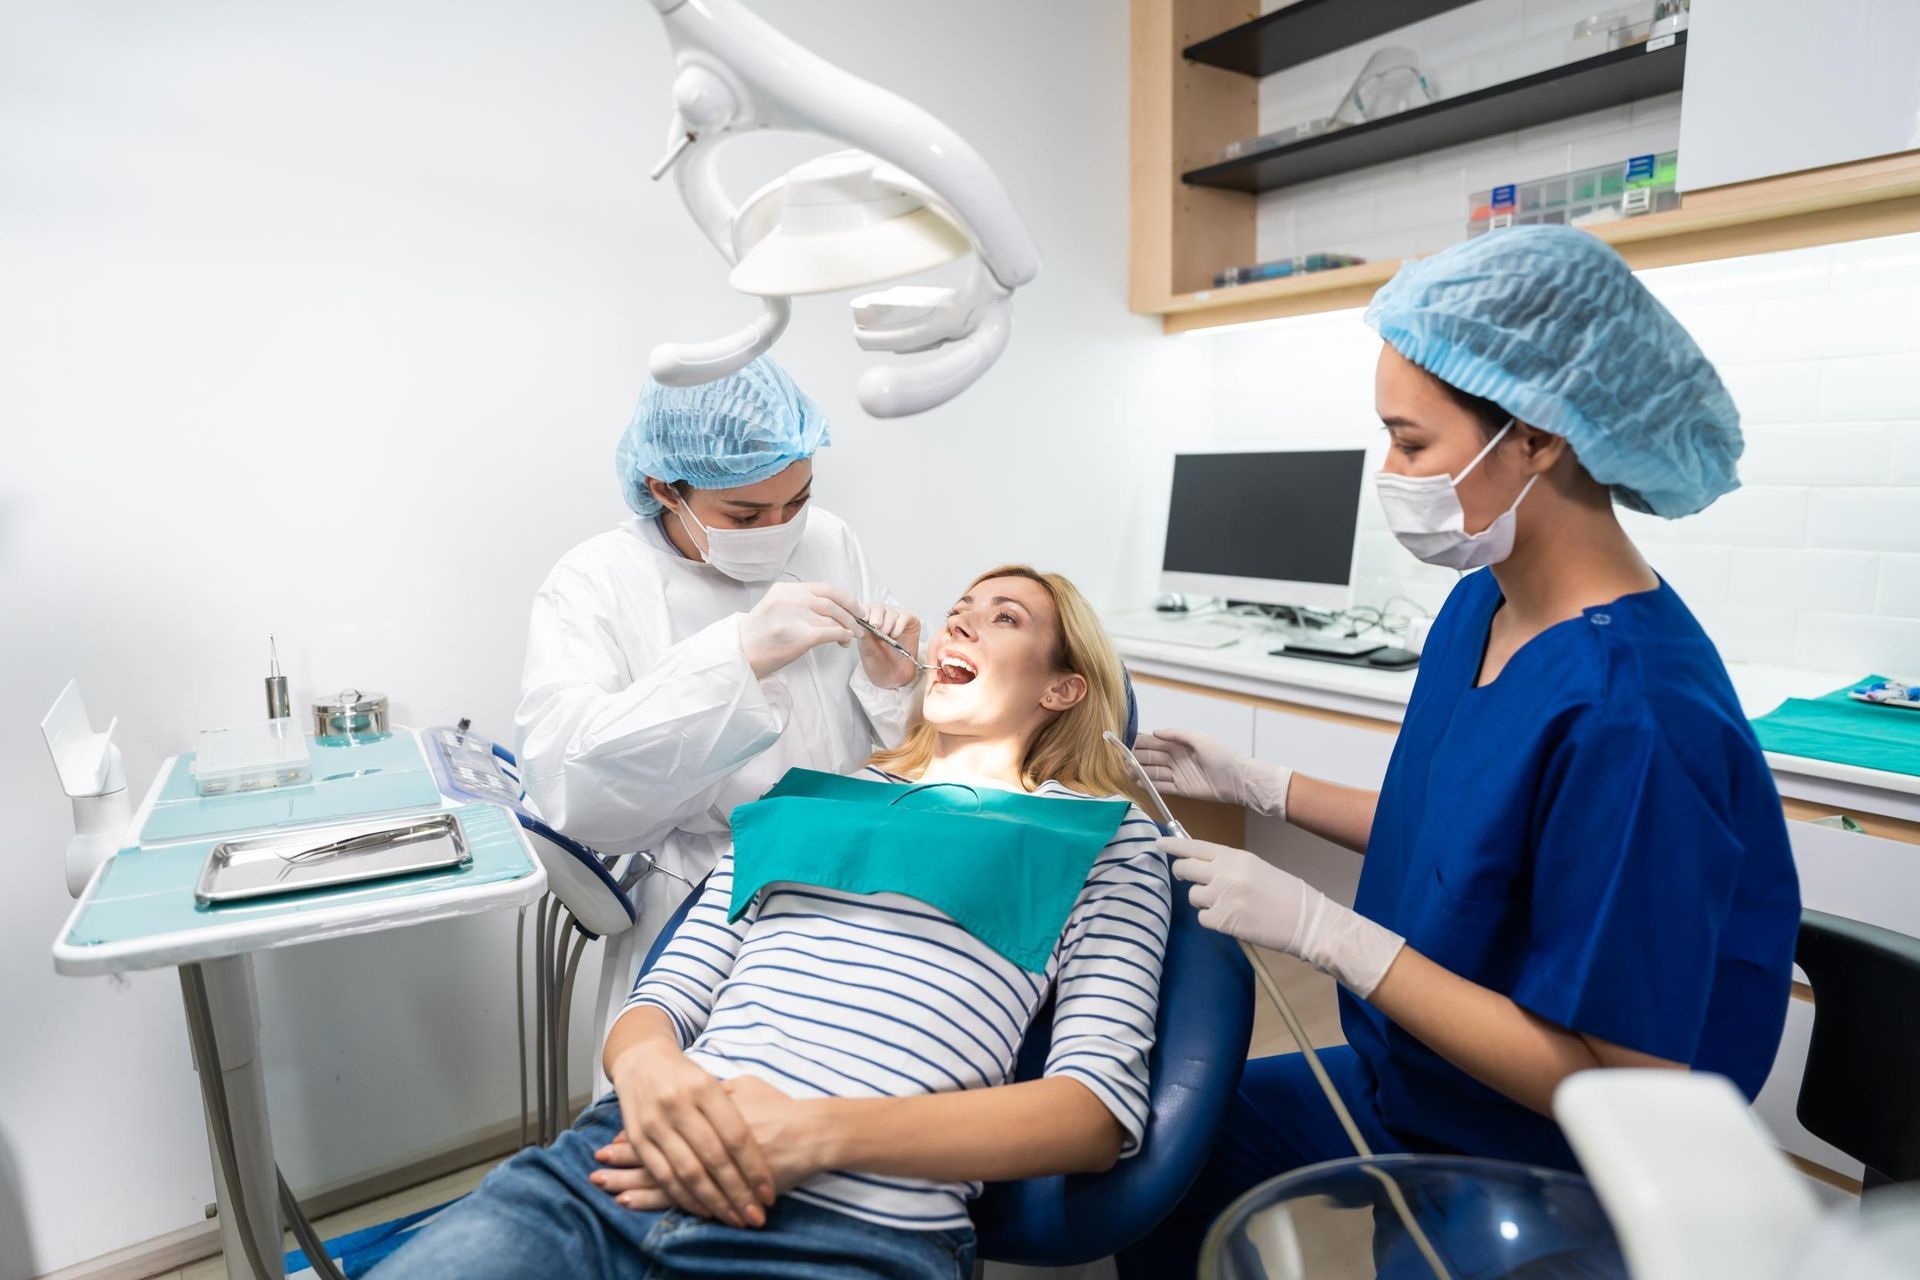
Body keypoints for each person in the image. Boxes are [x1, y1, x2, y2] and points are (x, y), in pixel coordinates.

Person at [1120, 227, 1803, 1275]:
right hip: (1424, 1080)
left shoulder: (1635, 719)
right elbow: (1457, 832)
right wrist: (1260, 784)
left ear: (1537, 437)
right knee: (1164, 1157)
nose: (1390, 473)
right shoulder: (1482, 603)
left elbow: (1623, 1079)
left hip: (1553, 1165)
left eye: (1411, 441)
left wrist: (1325, 930)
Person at [372, 567, 1172, 1279]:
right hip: (613, 1172)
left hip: (854, 1228)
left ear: (1063, 688)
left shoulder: (1104, 834)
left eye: (1005, 618)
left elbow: (1093, 1110)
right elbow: (666, 999)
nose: (960, 621)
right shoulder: (805, 799)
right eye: (960, 608)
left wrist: (812, 1135)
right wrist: (651, 1078)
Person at [514, 356, 922, 888]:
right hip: (701, 889)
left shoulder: (829, 539)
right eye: (744, 516)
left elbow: (909, 746)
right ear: (665, 488)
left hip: (847, 861)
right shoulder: (596, 580)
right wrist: (734, 661)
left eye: (798, 500)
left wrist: (893, 685)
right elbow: (574, 793)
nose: (778, 529)